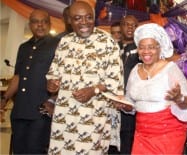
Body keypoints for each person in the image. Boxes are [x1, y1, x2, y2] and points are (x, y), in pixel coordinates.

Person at [46, 1, 123, 154]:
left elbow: (114, 79)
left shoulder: (107, 42)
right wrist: (52, 84)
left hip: (94, 117)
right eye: (78, 18)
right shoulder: (65, 42)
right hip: (65, 115)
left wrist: (93, 90)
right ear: (69, 20)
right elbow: (54, 73)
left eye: (88, 17)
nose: (84, 22)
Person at [121, 23, 187, 154]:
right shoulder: (135, 71)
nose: (146, 52)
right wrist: (124, 105)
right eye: (142, 47)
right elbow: (131, 104)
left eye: (151, 47)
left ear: (159, 48)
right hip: (141, 133)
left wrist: (179, 98)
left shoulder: (170, 69)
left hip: (168, 133)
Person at [0, 10, 60, 154]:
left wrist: (53, 99)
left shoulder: (58, 45)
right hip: (20, 110)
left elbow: (64, 76)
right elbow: (18, 77)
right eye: (35, 21)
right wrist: (4, 98)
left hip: (41, 110)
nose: (40, 25)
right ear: (30, 24)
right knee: (19, 150)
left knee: (35, 150)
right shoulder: (24, 47)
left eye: (44, 21)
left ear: (49, 24)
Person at [117, 15, 140, 154]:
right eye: (127, 24)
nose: (131, 27)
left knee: (127, 145)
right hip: (111, 105)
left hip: (130, 107)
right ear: (121, 27)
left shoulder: (142, 50)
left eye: (134, 25)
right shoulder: (112, 47)